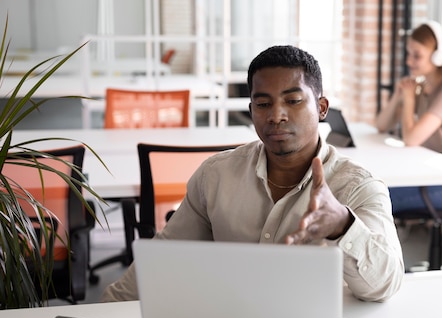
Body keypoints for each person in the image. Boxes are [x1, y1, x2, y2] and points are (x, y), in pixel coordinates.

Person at [101, 45, 404, 303]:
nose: (276, 115)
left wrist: (342, 224)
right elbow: (164, 257)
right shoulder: (216, 175)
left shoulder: (358, 187)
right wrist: (102, 310)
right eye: (263, 103)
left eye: (293, 100)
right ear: (251, 109)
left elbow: (385, 283)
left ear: (322, 107)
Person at [376, 20, 442, 214]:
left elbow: (411, 139)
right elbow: (381, 125)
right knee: (372, 192)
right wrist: (398, 96)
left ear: (438, 57)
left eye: (417, 56)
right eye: (408, 54)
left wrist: (409, 100)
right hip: (430, 170)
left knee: (378, 199)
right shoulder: (423, 88)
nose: (409, 61)